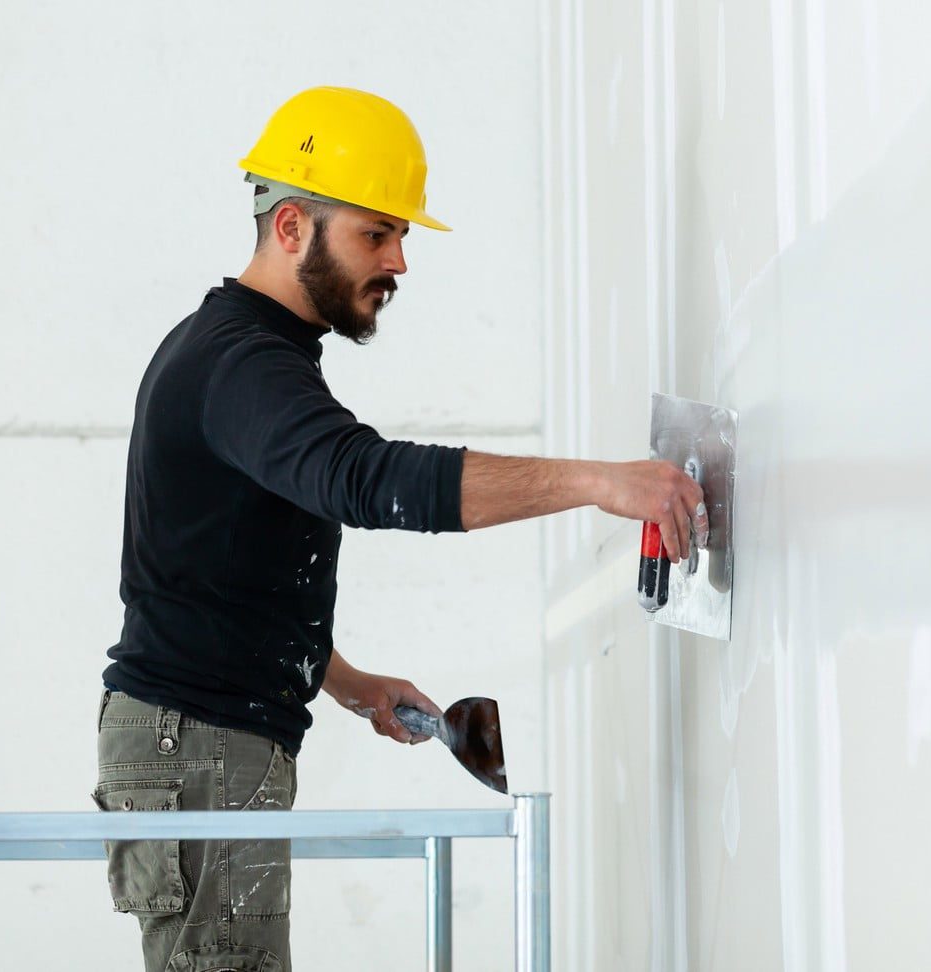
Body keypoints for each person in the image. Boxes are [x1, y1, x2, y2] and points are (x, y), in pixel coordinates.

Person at [92, 86, 705, 972]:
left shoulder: (238, 355)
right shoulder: (242, 366)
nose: (400, 262)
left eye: (402, 236)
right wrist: (598, 483)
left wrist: (343, 679)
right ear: (293, 225)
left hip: (195, 735)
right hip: (199, 742)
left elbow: (205, 570)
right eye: (376, 234)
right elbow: (366, 479)